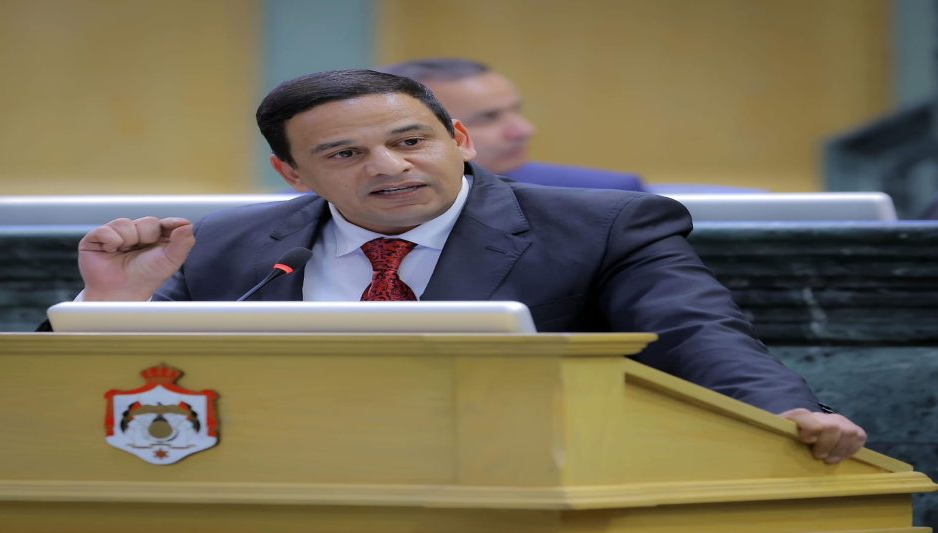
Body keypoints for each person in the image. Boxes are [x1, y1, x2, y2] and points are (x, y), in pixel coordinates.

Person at [76, 69, 865, 463]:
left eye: (411, 141)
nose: (390, 167)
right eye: (345, 154)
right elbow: (89, 402)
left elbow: (696, 332)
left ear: (458, 138)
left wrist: (783, 416)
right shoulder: (225, 246)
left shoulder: (601, 227)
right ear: (293, 174)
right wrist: (113, 305)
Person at [379, 58, 645, 192]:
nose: (524, 130)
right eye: (488, 118)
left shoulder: (603, 194)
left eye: (515, 111)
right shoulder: (364, 201)